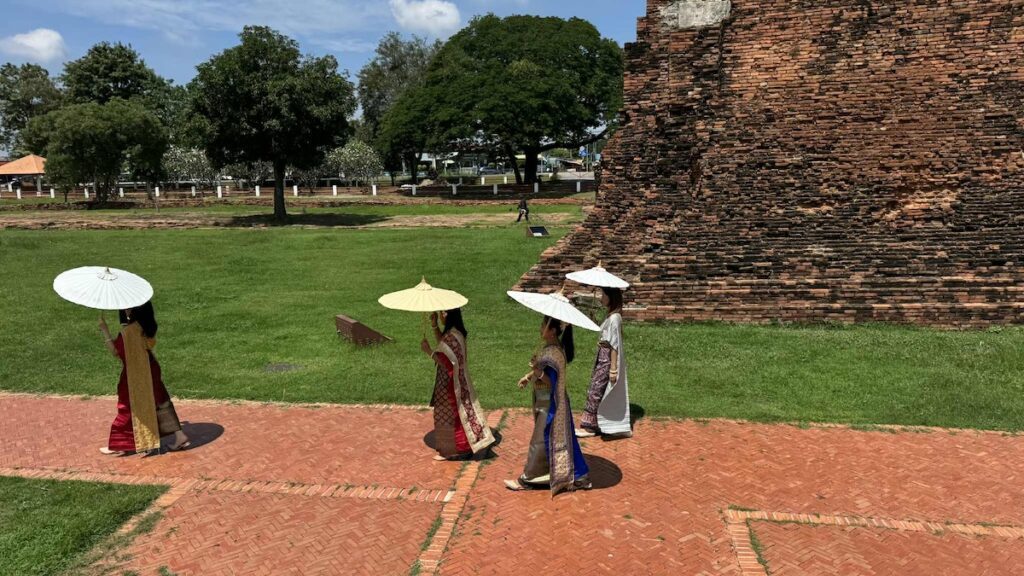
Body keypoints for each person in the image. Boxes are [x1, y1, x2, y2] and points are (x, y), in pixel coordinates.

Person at [505, 316, 591, 494]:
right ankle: (580, 475)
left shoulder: (553, 353)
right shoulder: (554, 349)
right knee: (567, 441)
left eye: (543, 325)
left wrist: (536, 371)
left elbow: (551, 381)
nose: (540, 328)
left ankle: (527, 479)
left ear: (552, 331)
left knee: (539, 442)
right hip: (555, 401)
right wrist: (529, 376)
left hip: (552, 405)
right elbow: (543, 369)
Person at [98, 301, 190, 455]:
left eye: (127, 307)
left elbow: (116, 352)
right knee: (161, 402)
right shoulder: (146, 327)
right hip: (151, 368)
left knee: (127, 405)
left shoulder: (129, 331)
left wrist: (105, 330)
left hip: (136, 373)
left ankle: (120, 443)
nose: (124, 309)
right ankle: (180, 436)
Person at [421, 308, 495, 461]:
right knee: (461, 414)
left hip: (451, 383)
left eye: (443, 312)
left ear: (449, 315)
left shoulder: (453, 336)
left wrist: (428, 351)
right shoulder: (455, 333)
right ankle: (465, 446)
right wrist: (434, 325)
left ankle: (457, 450)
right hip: (457, 380)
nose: (441, 315)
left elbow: (445, 362)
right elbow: (443, 343)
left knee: (453, 415)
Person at [577, 287, 631, 437]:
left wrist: (613, 369)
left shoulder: (614, 318)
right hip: (602, 357)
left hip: (606, 360)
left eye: (603, 294)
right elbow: (605, 335)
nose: (601, 297)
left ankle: (590, 427)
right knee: (596, 390)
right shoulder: (611, 316)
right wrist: (594, 319)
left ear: (610, 296)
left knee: (595, 390)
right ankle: (597, 424)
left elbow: (614, 345)